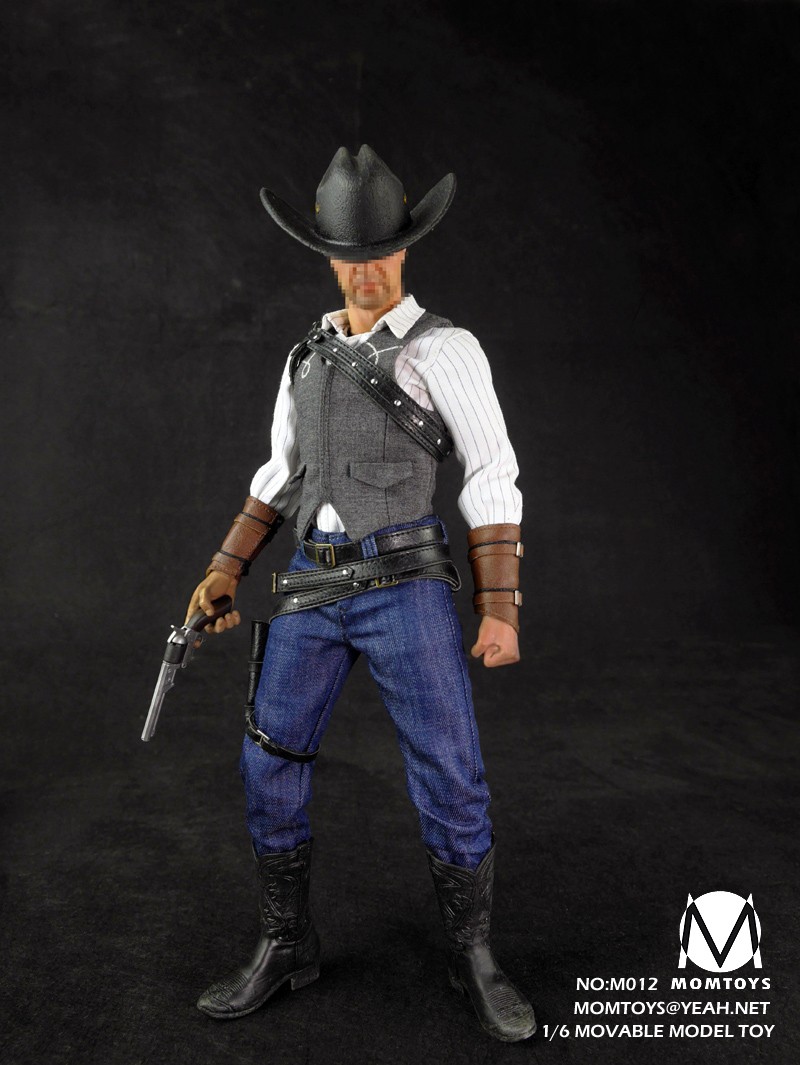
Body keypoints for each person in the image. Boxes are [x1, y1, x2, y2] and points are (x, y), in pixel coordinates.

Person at [184, 145, 535, 1042]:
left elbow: (491, 467)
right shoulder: (306, 355)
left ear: (405, 249)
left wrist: (500, 605)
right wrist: (227, 566)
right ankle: (285, 941)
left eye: (381, 252)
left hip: (403, 581)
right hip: (313, 581)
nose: (366, 271)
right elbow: (281, 471)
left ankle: (473, 954)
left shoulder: (444, 348)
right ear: (329, 258)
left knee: (449, 767)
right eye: (350, 256)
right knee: (268, 756)